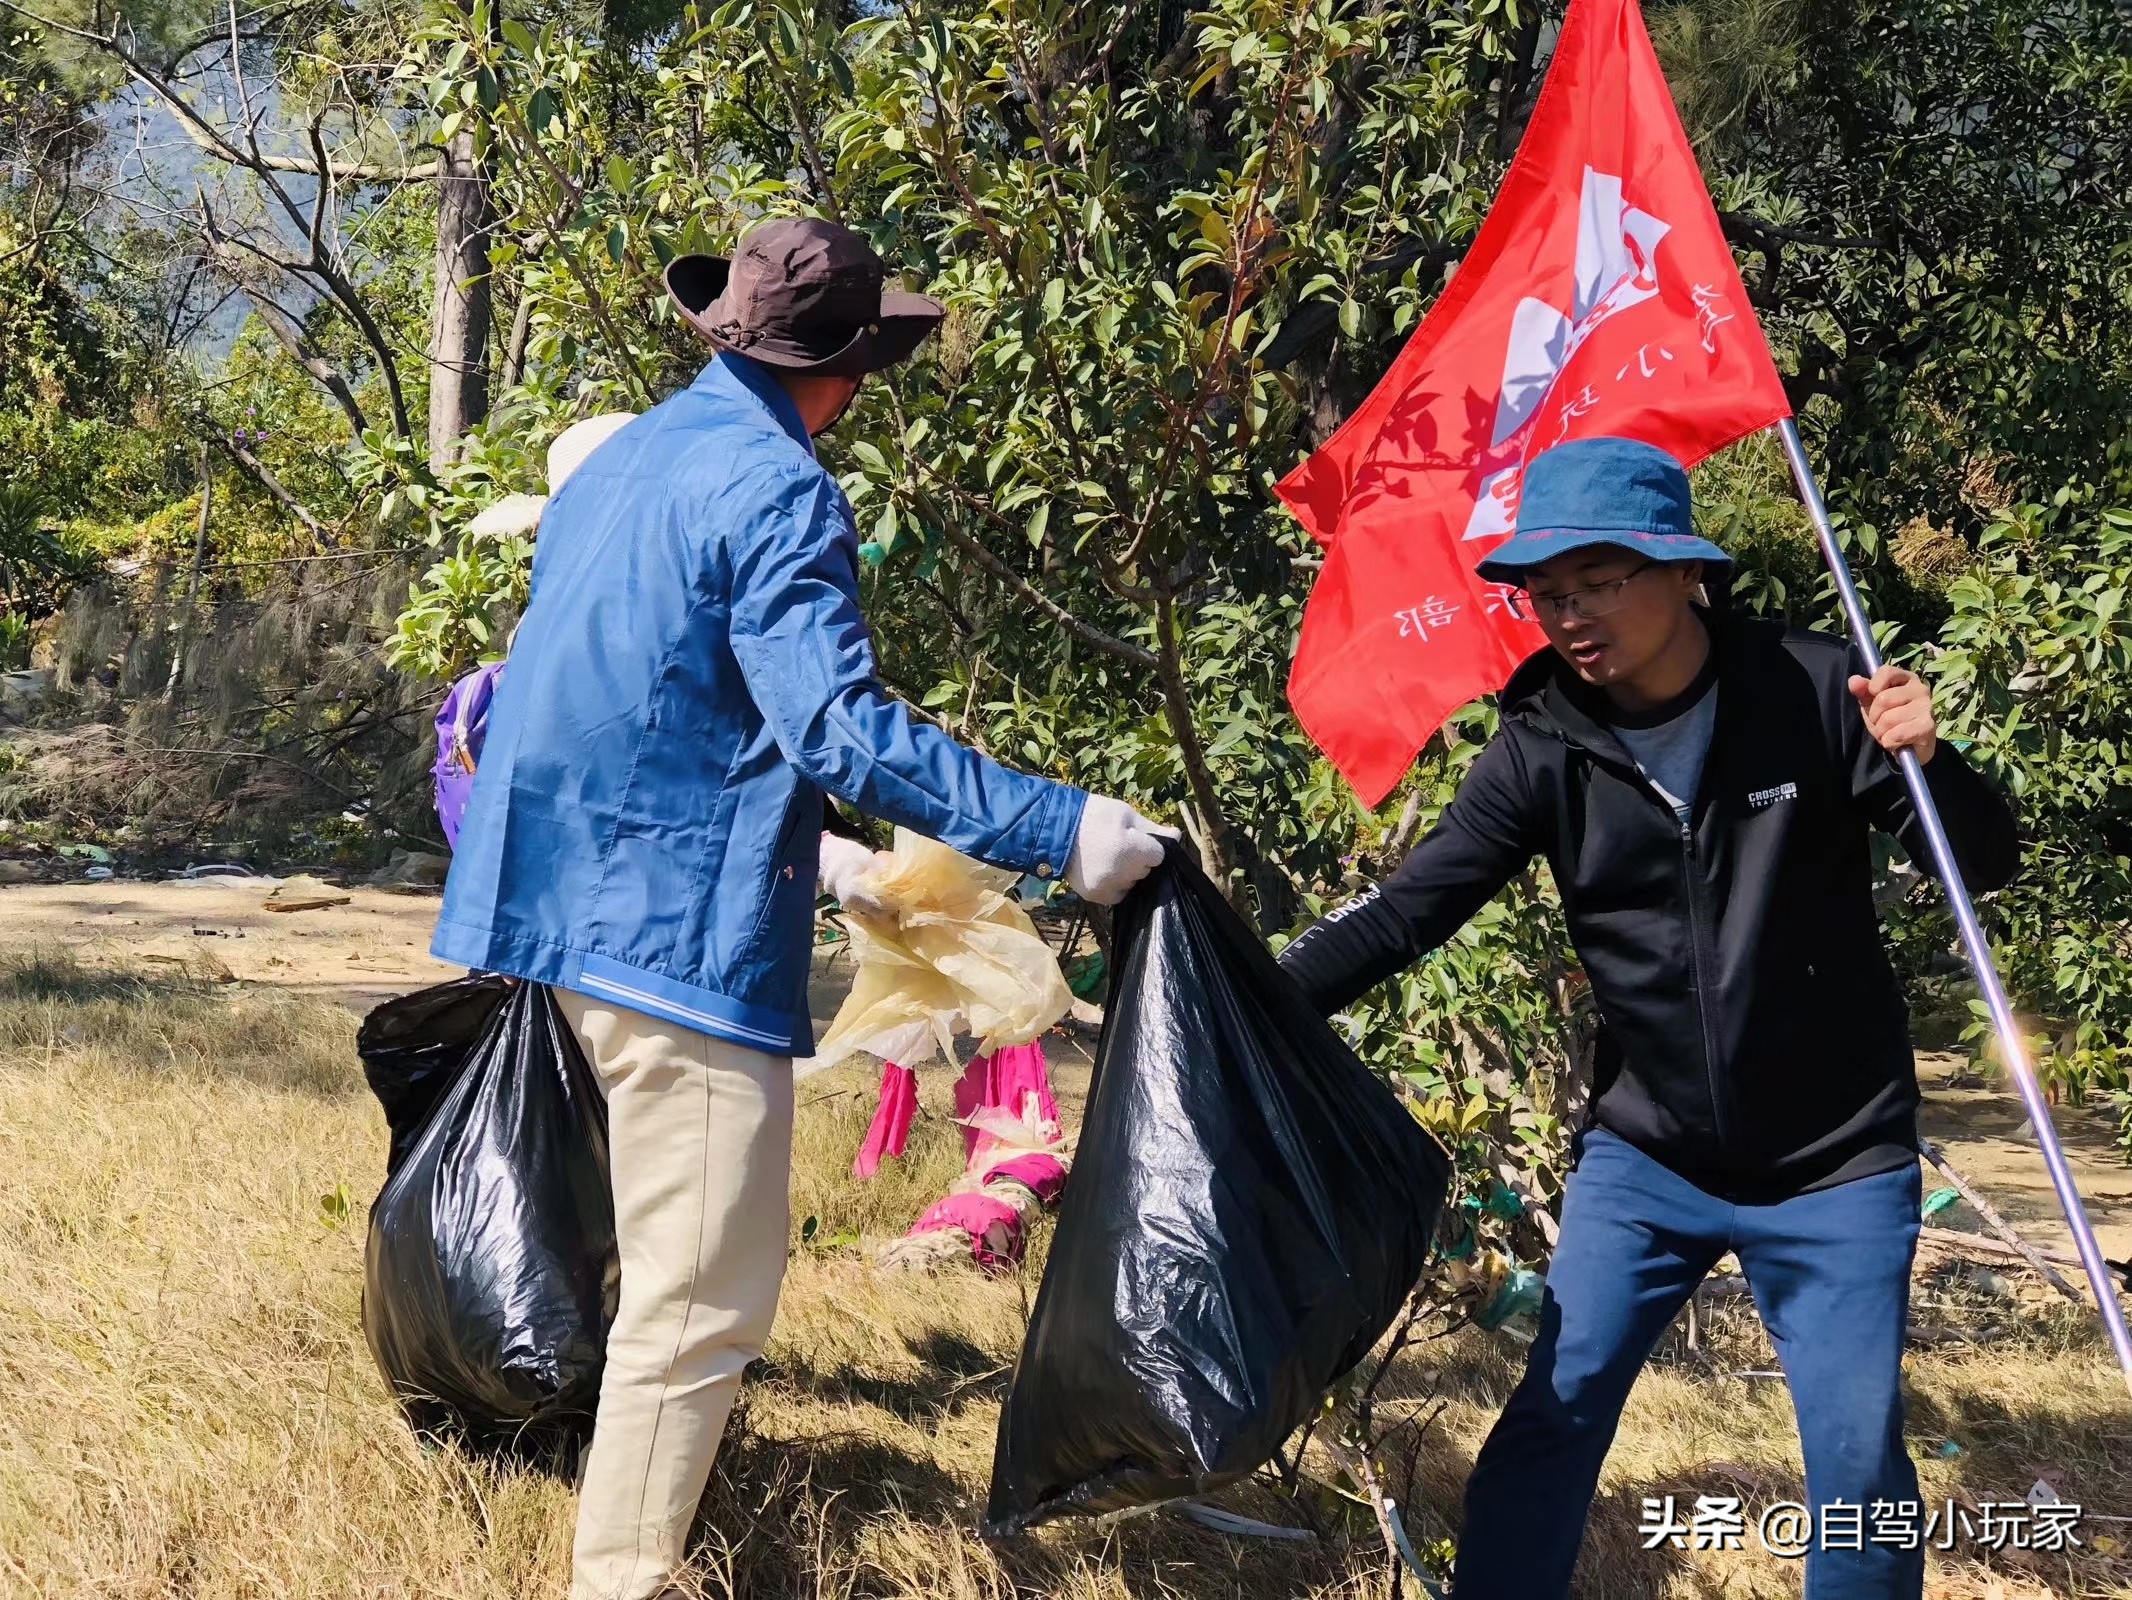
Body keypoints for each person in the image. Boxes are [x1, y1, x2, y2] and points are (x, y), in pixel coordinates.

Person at [432, 216, 1169, 1600]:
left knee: (656, 1262)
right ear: (844, 370)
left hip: (549, 911)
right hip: (669, 942)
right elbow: (841, 730)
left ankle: (653, 1520)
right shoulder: (780, 488)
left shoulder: (626, 462)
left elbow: (626, 688)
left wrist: (822, 863)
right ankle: (627, 1577)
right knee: (697, 1298)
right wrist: (1062, 828)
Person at [1277, 436, 2018, 1600]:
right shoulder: (1541, 742)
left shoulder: (1818, 692)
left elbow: (1978, 862)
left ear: (1685, 575)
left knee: (1856, 1471)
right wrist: (1244, 999)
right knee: (1546, 1428)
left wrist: (1933, 759)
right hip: (1647, 1158)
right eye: (1547, 592)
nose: (1569, 614)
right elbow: (1410, 909)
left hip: (1836, 1162)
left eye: (1599, 581)